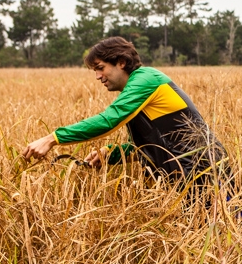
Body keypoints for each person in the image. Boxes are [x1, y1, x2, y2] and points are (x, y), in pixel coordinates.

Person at [22, 37, 228, 193]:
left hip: (205, 175)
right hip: (186, 177)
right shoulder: (136, 90)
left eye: (100, 68)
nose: (97, 76)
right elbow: (150, 145)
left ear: (121, 62)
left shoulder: (146, 79)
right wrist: (109, 154)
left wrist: (53, 138)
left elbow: (108, 120)